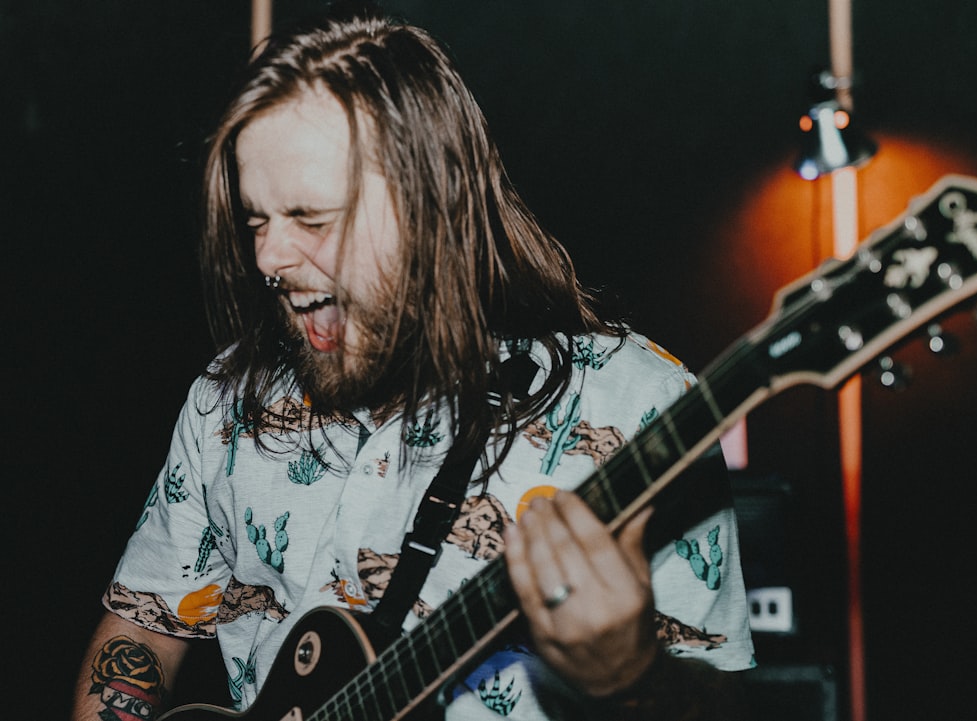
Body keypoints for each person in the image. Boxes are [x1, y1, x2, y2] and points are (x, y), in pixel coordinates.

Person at [71, 4, 755, 720]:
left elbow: (719, 701)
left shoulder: (636, 406)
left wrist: (631, 675)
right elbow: (143, 627)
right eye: (256, 221)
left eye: (311, 218)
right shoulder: (226, 398)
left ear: (432, 206)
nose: (269, 257)